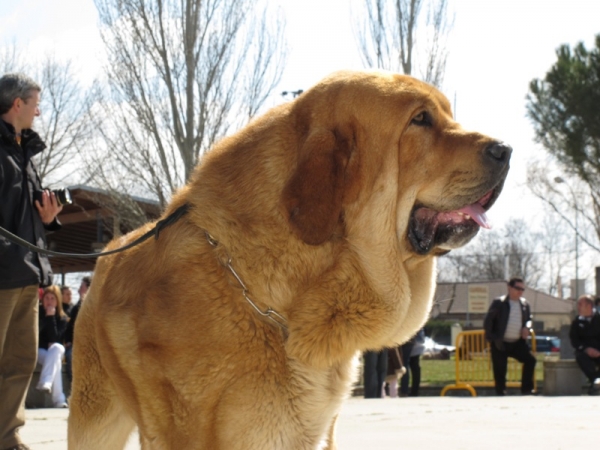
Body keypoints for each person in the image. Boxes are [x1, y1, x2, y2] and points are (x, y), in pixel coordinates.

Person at [0, 73, 63, 450]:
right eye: (35, 103)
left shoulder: (24, 151)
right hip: (3, 272)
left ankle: (7, 438)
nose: (39, 111)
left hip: (27, 274)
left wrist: (49, 217)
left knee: (21, 362)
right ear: (17, 104)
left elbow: (26, 212)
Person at [483, 277, 537, 396]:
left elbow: (529, 319)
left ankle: (527, 389)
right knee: (500, 368)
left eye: (522, 289)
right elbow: (488, 321)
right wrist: (492, 338)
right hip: (500, 342)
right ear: (509, 287)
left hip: (517, 343)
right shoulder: (499, 303)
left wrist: (527, 327)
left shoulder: (524, 304)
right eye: (517, 288)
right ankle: (501, 391)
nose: (520, 291)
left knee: (530, 360)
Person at [37, 285, 69, 408]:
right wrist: (47, 318)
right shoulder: (37, 314)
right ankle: (59, 399)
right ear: (42, 300)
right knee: (56, 361)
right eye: (47, 298)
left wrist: (51, 318)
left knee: (57, 348)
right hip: (39, 352)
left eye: (52, 298)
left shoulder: (63, 318)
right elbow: (37, 335)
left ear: (57, 301)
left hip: (54, 352)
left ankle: (45, 382)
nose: (49, 301)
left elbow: (56, 339)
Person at [569, 294, 600, 396]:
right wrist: (586, 349)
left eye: (580, 304)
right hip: (585, 352)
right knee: (580, 356)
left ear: (589, 306)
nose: (578, 307)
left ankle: (596, 384)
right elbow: (574, 340)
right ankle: (595, 381)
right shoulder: (576, 322)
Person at [63, 275, 91, 382]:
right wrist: (69, 340)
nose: (79, 289)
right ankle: (74, 387)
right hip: (75, 345)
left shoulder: (95, 307)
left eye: (82, 287)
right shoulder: (75, 308)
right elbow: (69, 328)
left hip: (90, 345)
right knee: (71, 355)